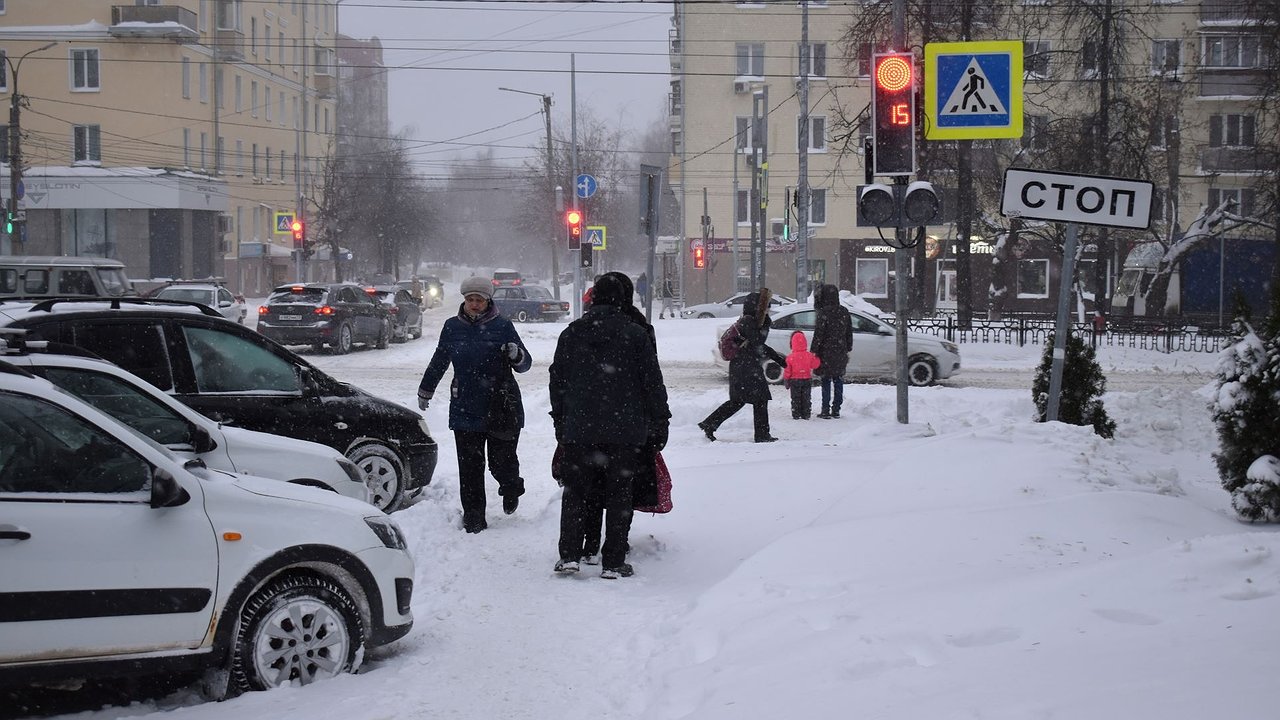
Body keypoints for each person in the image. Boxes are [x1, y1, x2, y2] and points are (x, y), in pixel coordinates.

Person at [549, 273, 670, 579]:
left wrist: (561, 419)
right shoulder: (635, 333)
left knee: (575, 492)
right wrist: (659, 420)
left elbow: (557, 379)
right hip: (625, 430)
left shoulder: (571, 333)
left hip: (579, 428)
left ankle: (570, 556)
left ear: (594, 298)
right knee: (619, 494)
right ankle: (613, 561)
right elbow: (652, 382)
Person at [418, 276, 532, 534]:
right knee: (469, 467)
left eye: (479, 300)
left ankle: (511, 486)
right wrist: (426, 389)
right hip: (465, 405)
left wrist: (516, 354)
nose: (474, 304)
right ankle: (474, 518)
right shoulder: (451, 327)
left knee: (501, 461)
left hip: (500, 405)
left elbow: (524, 365)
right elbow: (439, 361)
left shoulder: (502, 326)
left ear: (488, 300)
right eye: (470, 299)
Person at [698, 288, 786, 443]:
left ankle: (710, 424)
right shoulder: (749, 321)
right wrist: (778, 358)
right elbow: (758, 344)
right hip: (746, 367)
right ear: (758, 307)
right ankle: (762, 435)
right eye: (766, 308)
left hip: (742, 366)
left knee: (738, 401)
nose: (768, 310)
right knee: (759, 399)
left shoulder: (747, 320)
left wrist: (778, 359)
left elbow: (757, 345)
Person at [810, 284, 852, 419]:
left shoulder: (823, 313)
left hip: (826, 352)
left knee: (826, 381)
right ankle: (836, 409)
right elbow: (849, 332)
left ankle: (825, 409)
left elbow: (819, 334)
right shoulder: (844, 311)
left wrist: (814, 350)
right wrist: (848, 347)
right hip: (840, 351)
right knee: (838, 380)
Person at [782, 330, 821, 420]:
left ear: (792, 343)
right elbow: (815, 365)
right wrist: (817, 357)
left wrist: (786, 380)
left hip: (794, 380)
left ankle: (796, 413)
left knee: (795, 397)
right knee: (806, 397)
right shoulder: (809, 355)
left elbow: (787, 371)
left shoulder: (790, 357)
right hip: (807, 379)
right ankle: (806, 413)